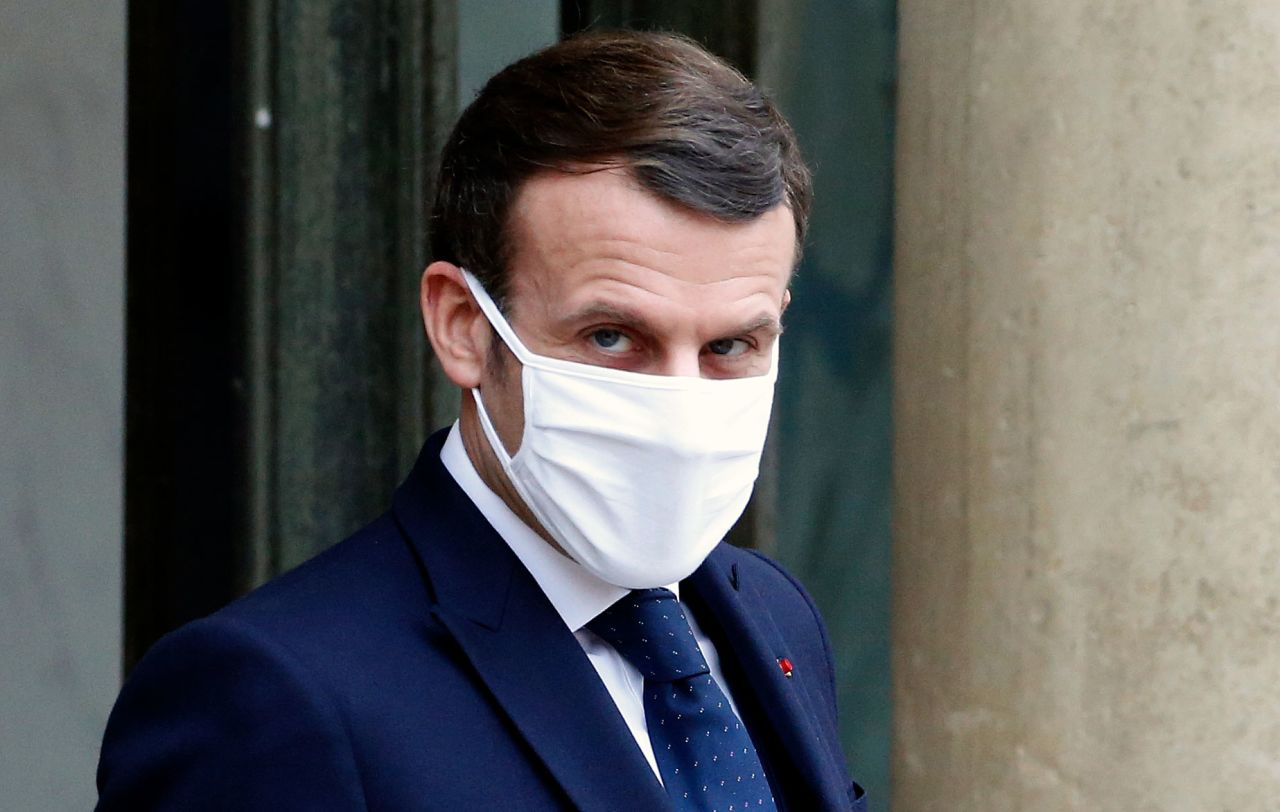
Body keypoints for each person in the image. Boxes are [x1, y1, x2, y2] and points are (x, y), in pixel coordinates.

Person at [96, 30, 866, 811]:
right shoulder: (272, 695)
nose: (679, 405)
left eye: (731, 344)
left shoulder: (772, 612)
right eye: (611, 336)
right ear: (463, 323)